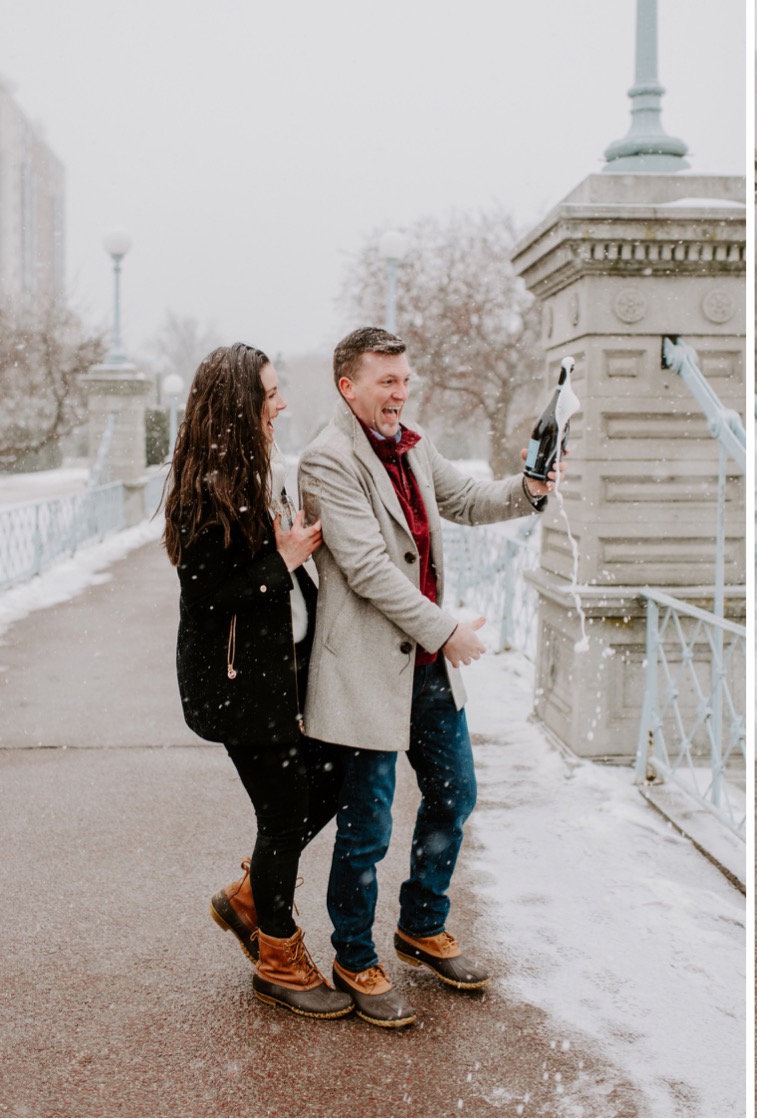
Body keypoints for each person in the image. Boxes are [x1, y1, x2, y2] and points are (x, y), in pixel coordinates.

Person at [297, 326, 561, 1028]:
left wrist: (528, 488)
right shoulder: (327, 461)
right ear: (347, 385)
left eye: (404, 379)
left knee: (455, 795)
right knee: (367, 826)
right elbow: (367, 568)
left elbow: (470, 500)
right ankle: (354, 956)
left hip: (425, 668)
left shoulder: (410, 445)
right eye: (386, 380)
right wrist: (447, 629)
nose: (400, 392)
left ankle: (420, 925)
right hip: (365, 670)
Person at [165, 342, 352, 1020]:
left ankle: (249, 898)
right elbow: (207, 597)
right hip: (236, 685)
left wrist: (294, 550)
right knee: (283, 813)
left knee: (328, 777)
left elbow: (266, 569)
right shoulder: (203, 490)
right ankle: (277, 952)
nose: (281, 402)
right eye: (270, 392)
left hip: (274, 673)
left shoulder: (249, 472)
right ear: (239, 403)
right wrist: (283, 557)